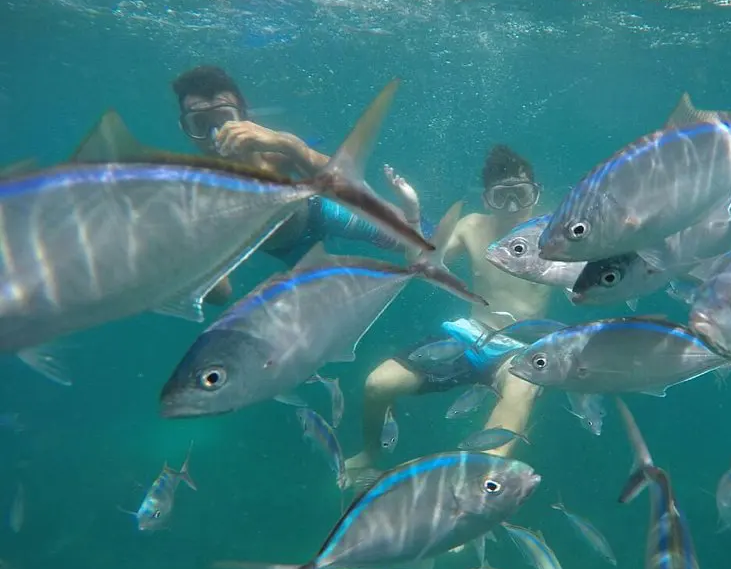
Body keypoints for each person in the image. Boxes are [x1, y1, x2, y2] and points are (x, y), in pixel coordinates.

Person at [346, 144, 551, 481]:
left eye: (522, 194)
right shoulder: (472, 226)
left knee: (519, 392)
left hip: (521, 348)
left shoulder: (552, 232)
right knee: (377, 384)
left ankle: (476, 496)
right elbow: (421, 265)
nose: (513, 206)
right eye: (502, 197)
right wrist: (412, 210)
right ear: (486, 199)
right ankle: (370, 454)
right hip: (467, 338)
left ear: (536, 194)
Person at [171, 65, 425, 301]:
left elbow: (350, 183)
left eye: (224, 118)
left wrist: (292, 147)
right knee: (332, 302)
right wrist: (182, 247)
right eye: (199, 124)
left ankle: (449, 237)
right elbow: (221, 294)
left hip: (318, 212)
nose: (216, 133)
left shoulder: (273, 147)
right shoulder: (200, 192)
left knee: (412, 242)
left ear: (244, 116)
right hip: (286, 249)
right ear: (186, 130)